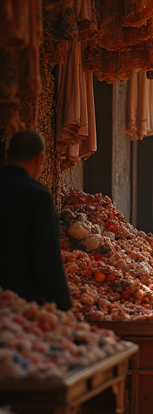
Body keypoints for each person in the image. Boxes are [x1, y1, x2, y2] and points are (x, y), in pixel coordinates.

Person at [0, 130, 72, 310]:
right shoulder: (38, 197)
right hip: (22, 304)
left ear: (8, 154)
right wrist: (62, 307)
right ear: (39, 158)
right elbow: (47, 259)